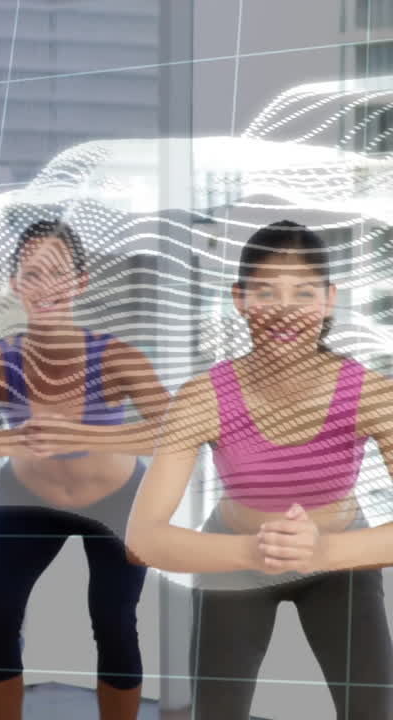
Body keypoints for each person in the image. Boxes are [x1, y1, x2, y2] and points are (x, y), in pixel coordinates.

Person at [126, 220, 393, 718]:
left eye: (304, 292)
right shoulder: (203, 398)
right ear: (240, 298)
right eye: (266, 292)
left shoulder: (372, 395)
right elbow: (143, 537)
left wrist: (324, 549)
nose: (285, 309)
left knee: (371, 711)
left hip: (340, 566)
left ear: (329, 299)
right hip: (237, 559)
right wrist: (254, 550)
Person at [0, 219, 170, 720]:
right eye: (32, 275)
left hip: (115, 501)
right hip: (28, 500)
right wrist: (3, 439)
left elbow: (175, 434)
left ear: (80, 282)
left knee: (113, 620)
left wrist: (84, 435)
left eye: (57, 274)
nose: (44, 287)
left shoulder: (116, 357)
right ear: (15, 285)